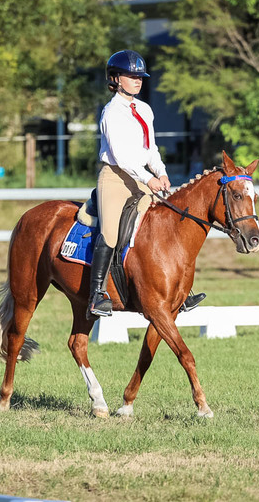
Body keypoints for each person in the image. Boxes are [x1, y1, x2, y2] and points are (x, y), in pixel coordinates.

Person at [87, 49, 205, 318]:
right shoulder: (111, 112)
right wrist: (148, 178)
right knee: (111, 231)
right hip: (116, 178)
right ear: (115, 78)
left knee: (168, 224)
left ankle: (180, 293)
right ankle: (96, 295)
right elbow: (121, 156)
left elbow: (150, 149)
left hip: (142, 178)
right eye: (131, 76)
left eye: (140, 76)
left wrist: (161, 172)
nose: (138, 80)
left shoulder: (144, 109)